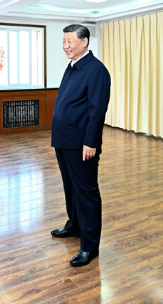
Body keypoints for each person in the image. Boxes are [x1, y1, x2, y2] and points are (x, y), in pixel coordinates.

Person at [50, 24, 111, 267]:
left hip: (81, 143)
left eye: (70, 41)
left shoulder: (96, 70)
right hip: (64, 139)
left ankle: (89, 246)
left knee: (87, 192)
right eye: (63, 41)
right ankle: (74, 226)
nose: (65, 46)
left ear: (84, 41)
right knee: (70, 187)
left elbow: (98, 110)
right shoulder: (73, 66)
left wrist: (91, 142)